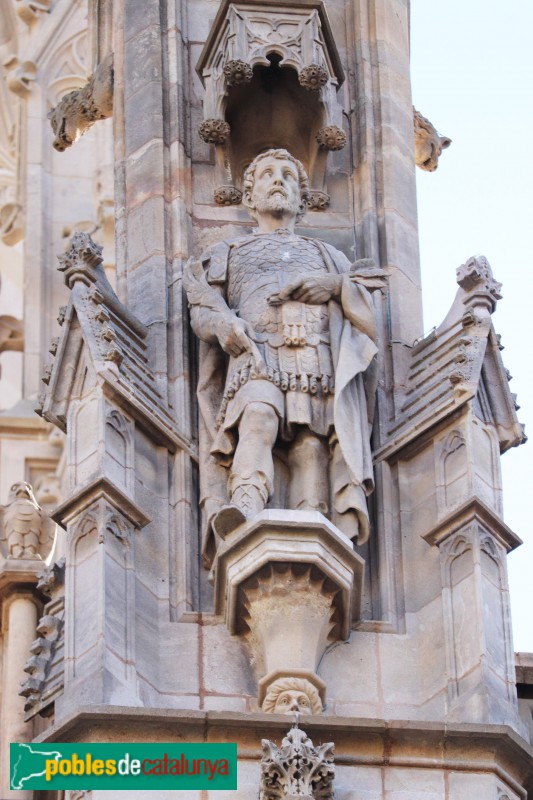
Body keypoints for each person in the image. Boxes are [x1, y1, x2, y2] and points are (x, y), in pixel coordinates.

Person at [184, 149, 385, 568]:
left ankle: (315, 529)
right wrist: (225, 327)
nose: (279, 182)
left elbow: (369, 313)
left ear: (302, 197)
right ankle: (244, 509)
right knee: (258, 416)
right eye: (268, 175)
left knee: (310, 446)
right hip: (256, 354)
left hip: (316, 361)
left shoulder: (331, 257)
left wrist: (332, 286)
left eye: (290, 177)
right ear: (249, 195)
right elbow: (203, 309)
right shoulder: (227, 252)